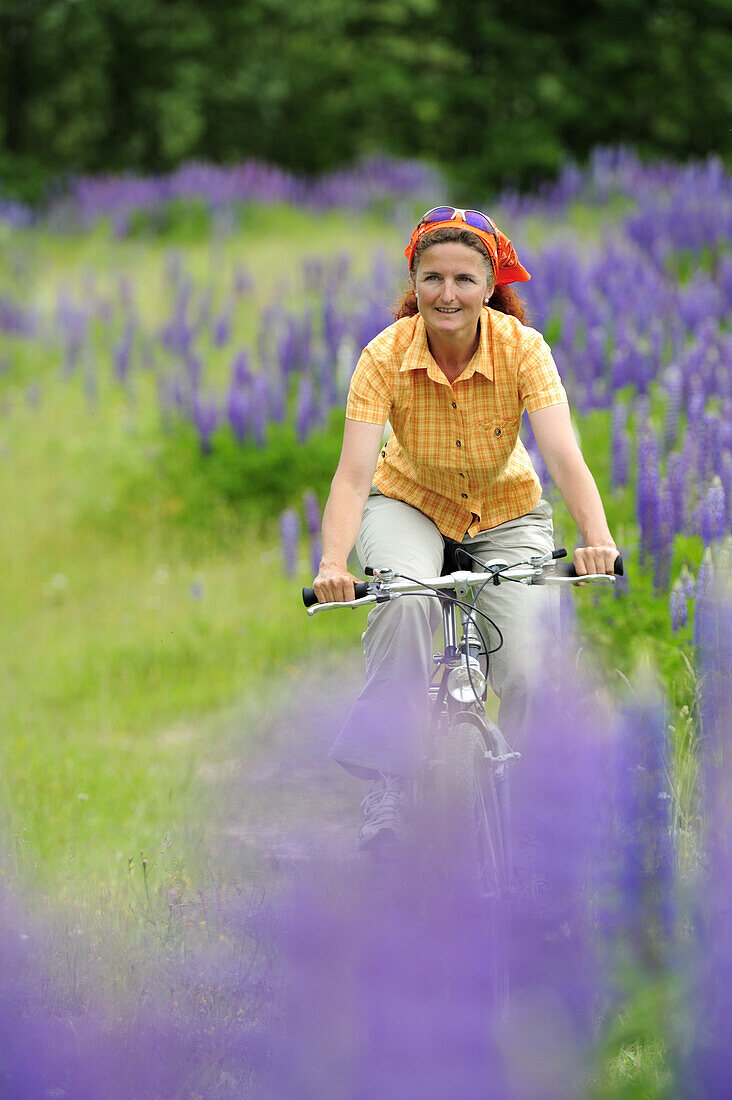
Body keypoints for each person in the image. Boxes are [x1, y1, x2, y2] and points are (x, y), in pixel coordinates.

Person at [312, 206, 617, 850]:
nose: (447, 294)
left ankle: (539, 805)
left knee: (532, 667)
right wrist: (333, 564)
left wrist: (599, 541)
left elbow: (563, 454)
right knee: (403, 599)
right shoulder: (383, 356)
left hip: (508, 512)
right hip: (409, 503)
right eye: (433, 278)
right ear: (414, 283)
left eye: (464, 279)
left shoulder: (523, 348)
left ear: (489, 286)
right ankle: (389, 780)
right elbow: (351, 475)